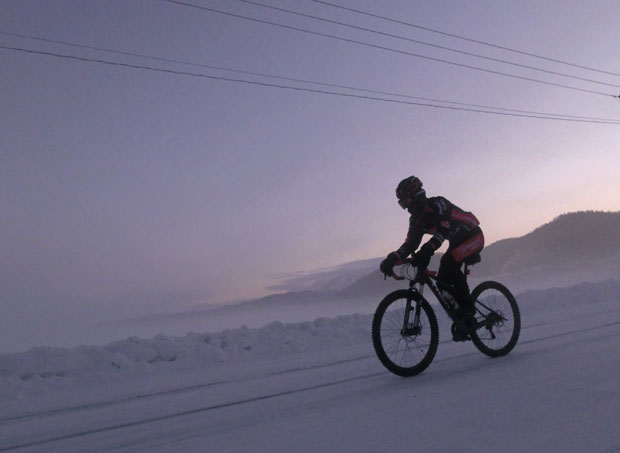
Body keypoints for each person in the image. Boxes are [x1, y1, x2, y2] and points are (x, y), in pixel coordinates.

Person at [380, 175, 484, 321]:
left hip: (473, 236)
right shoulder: (416, 220)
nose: (406, 207)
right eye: (402, 204)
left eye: (407, 201)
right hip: (457, 242)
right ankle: (463, 316)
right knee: (442, 280)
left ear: (416, 196)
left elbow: (443, 229)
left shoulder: (438, 204)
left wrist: (427, 251)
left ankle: (467, 308)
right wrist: (392, 259)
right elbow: (411, 243)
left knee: (448, 264)